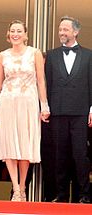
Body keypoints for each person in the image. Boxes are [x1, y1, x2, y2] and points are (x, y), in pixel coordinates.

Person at [0, 20, 50, 202]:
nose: (16, 34)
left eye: (19, 31)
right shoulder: (2, 56)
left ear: (25, 34)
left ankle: (23, 186)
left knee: (24, 145)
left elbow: (41, 81)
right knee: (9, 145)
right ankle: (15, 189)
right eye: (12, 31)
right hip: (8, 102)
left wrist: (44, 105)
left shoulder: (35, 53)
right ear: (8, 35)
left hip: (28, 103)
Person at [45, 16, 92, 204]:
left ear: (75, 31)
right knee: (59, 154)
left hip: (80, 113)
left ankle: (84, 195)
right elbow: (47, 84)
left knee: (80, 155)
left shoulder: (89, 55)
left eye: (65, 29)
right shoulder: (52, 55)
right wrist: (45, 108)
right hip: (58, 112)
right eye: (60, 29)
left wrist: (91, 110)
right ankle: (61, 194)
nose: (61, 33)